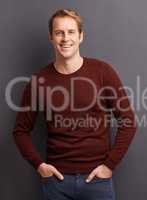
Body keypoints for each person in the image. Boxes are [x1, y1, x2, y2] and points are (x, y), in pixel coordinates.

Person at [12, 8, 137, 200]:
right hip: (56, 183)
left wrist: (109, 166)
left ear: (81, 36)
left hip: (97, 181)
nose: (65, 38)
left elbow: (128, 120)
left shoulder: (103, 72)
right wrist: (40, 166)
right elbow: (20, 131)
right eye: (59, 32)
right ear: (51, 37)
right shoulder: (39, 80)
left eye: (71, 32)